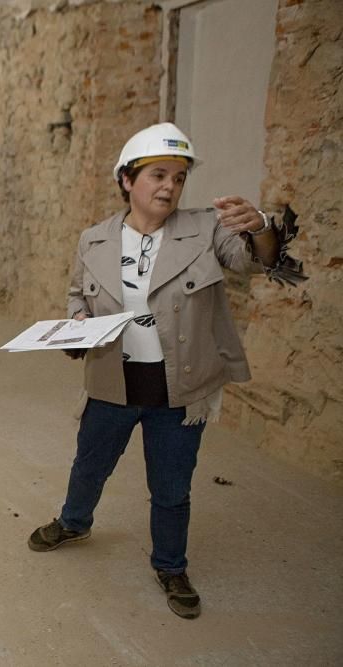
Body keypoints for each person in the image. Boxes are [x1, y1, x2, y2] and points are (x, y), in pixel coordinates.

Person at [27, 123, 298, 620]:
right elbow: (76, 293)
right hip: (112, 382)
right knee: (89, 464)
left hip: (180, 387)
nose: (170, 186)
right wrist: (79, 320)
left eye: (178, 177)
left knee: (172, 488)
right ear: (128, 180)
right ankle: (73, 521)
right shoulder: (94, 239)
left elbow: (255, 262)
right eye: (158, 174)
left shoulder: (206, 230)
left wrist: (260, 227)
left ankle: (171, 565)